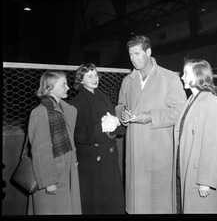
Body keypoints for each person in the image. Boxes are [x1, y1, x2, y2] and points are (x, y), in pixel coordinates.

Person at [115, 35, 187, 214]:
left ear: (148, 52)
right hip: (134, 150)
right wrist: (122, 114)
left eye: (138, 54)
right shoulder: (127, 81)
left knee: (159, 200)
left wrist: (151, 116)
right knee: (137, 200)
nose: (134, 59)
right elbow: (120, 105)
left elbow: (180, 111)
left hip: (158, 148)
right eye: (131, 55)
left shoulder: (169, 78)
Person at [174, 59, 217, 213]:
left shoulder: (213, 102)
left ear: (199, 76)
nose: (182, 77)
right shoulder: (190, 101)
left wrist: (206, 180)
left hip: (200, 174)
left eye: (186, 73)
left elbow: (213, 144)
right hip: (187, 170)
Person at [69, 63, 125, 214]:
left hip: (109, 154)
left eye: (95, 75)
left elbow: (115, 124)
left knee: (112, 197)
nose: (95, 79)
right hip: (92, 160)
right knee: (96, 200)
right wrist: (101, 128)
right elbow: (76, 133)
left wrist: (116, 127)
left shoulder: (104, 96)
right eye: (89, 76)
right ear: (80, 80)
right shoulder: (76, 103)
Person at [27, 70, 81, 215]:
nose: (68, 87)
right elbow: (40, 150)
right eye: (63, 84)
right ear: (50, 87)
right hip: (51, 175)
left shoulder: (64, 109)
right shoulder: (40, 112)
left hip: (66, 170)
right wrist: (49, 181)